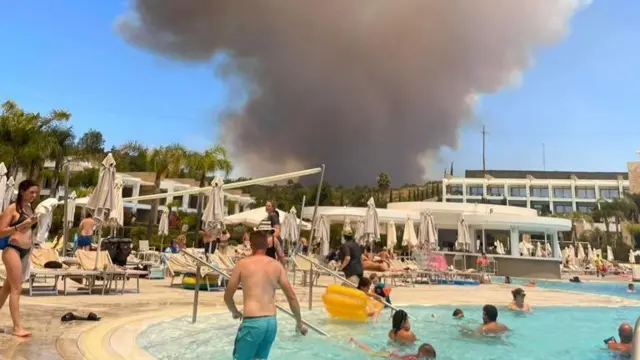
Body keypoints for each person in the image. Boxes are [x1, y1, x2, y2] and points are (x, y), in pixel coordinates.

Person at [224, 224, 308, 360]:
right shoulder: (277, 265)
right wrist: (299, 322)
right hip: (271, 323)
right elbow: (291, 297)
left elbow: (228, 296)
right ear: (267, 246)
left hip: (252, 322)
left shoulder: (243, 264)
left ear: (251, 245)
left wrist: (235, 311)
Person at [0, 179, 39, 337]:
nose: (34, 195)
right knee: (17, 289)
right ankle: (17, 328)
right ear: (22, 191)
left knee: (6, 290)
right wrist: (19, 226)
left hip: (25, 252)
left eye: (36, 193)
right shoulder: (12, 209)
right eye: (31, 192)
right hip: (13, 250)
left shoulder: (30, 208)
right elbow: (1, 231)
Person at [349, 338, 436, 359]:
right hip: (391, 356)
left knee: (372, 352)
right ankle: (355, 341)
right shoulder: (413, 359)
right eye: (428, 359)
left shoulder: (415, 356)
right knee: (371, 352)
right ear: (421, 354)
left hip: (394, 354)